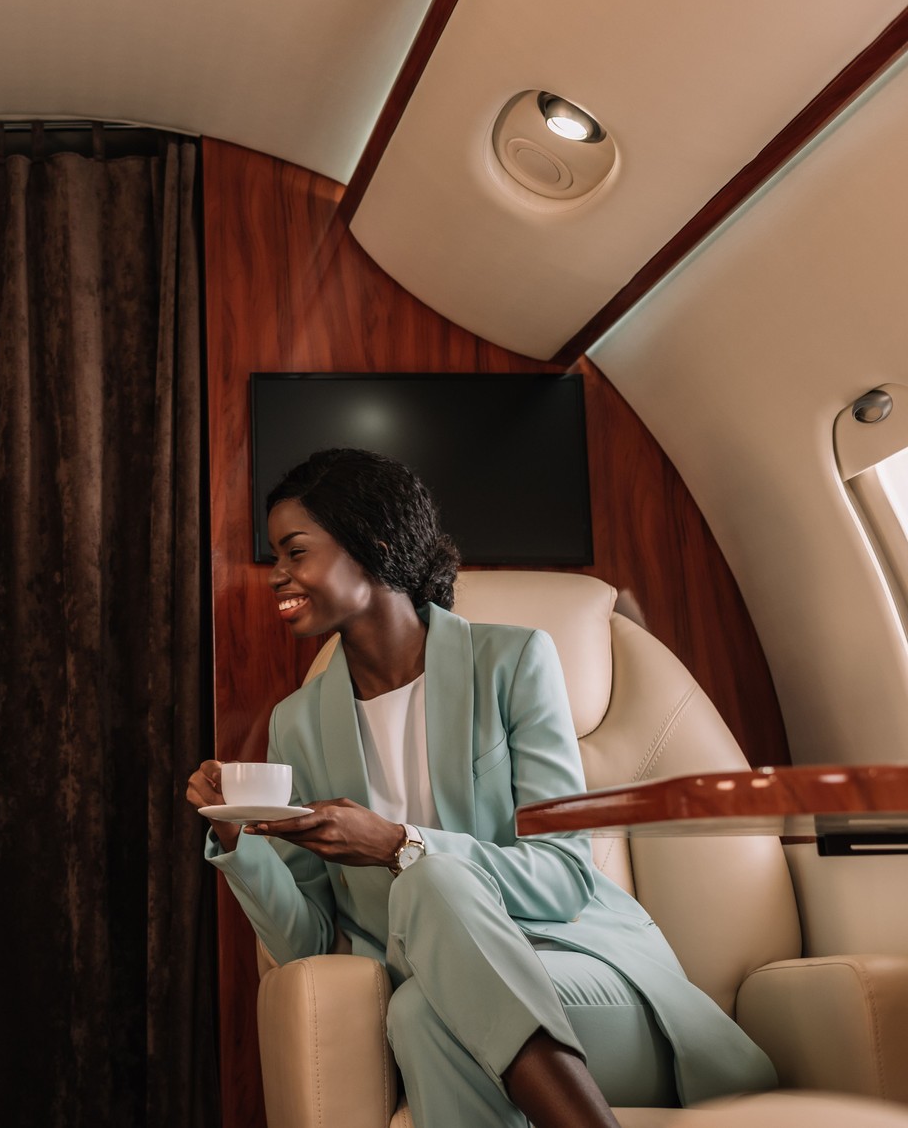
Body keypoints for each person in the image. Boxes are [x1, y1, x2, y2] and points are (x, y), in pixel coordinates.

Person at [185, 448, 774, 1128]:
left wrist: (400, 845)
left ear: (372, 542)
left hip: (589, 985)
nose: (276, 576)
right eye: (276, 557)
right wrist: (237, 839)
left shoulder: (513, 661)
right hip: (442, 1003)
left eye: (295, 552)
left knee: (429, 879)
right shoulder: (299, 725)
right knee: (414, 1012)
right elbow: (309, 944)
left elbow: (562, 879)